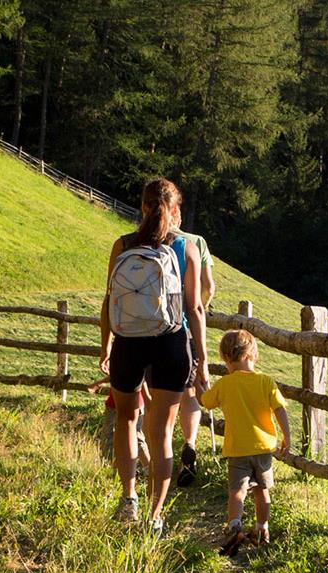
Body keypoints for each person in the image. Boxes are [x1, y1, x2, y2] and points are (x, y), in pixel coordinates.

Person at [99, 178, 210, 535]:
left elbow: (109, 300)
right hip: (171, 342)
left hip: (128, 342)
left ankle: (128, 498)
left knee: (127, 422)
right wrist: (202, 359)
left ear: (143, 207)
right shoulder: (186, 247)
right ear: (175, 210)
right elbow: (194, 309)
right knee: (161, 432)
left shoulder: (123, 244)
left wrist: (106, 346)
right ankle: (155, 515)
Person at [198, 329, 289, 548]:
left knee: (237, 491)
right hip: (263, 448)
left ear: (226, 357)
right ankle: (262, 528)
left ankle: (234, 525)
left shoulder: (225, 384)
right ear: (252, 354)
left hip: (238, 449)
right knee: (262, 490)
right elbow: (280, 410)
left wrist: (198, 387)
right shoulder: (266, 381)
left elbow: (206, 402)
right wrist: (287, 436)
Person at [170, 225, 215, 489]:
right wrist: (202, 307)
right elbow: (208, 286)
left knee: (158, 400)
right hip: (185, 328)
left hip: (150, 328)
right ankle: (189, 444)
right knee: (189, 393)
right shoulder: (196, 242)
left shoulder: (143, 238)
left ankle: (155, 462)